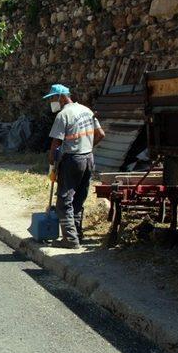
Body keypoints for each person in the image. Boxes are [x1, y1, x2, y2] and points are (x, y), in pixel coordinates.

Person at [44, 84, 105, 249]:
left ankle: (69, 239)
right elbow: (100, 134)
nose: (51, 101)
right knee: (78, 198)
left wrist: (52, 164)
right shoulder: (87, 110)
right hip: (88, 159)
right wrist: (87, 148)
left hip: (72, 160)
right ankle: (77, 234)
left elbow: (55, 144)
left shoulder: (63, 115)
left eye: (52, 98)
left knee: (64, 200)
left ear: (61, 97)